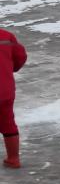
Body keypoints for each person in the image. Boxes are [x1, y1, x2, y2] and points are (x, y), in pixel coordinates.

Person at [0, 29, 27, 169]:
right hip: (5, 89)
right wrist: (9, 68)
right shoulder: (6, 36)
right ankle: (14, 158)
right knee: (7, 122)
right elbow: (20, 56)